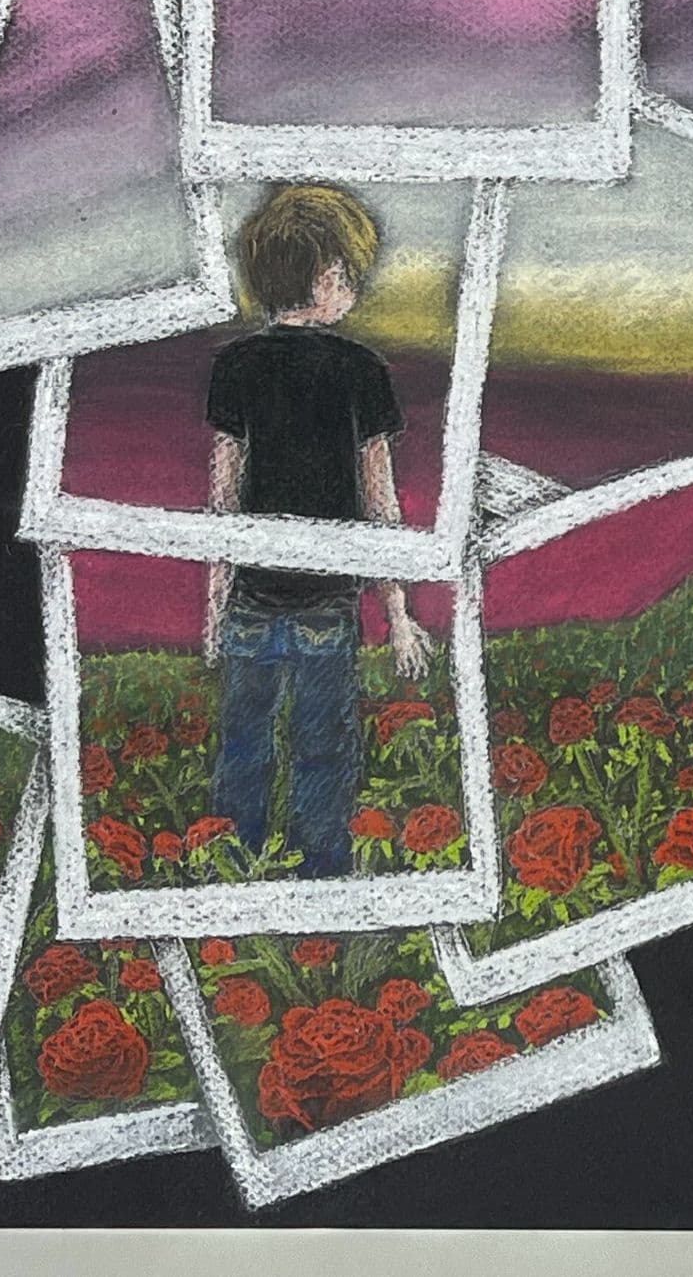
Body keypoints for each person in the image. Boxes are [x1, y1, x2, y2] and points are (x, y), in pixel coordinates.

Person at [200, 183, 435, 879]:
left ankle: (232, 872)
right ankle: (321, 881)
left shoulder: (234, 366)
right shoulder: (362, 372)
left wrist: (212, 608)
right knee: (323, 752)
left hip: (249, 603)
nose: (353, 287)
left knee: (242, 746)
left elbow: (222, 500)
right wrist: (397, 613)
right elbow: (380, 504)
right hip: (329, 608)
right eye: (349, 273)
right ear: (327, 276)